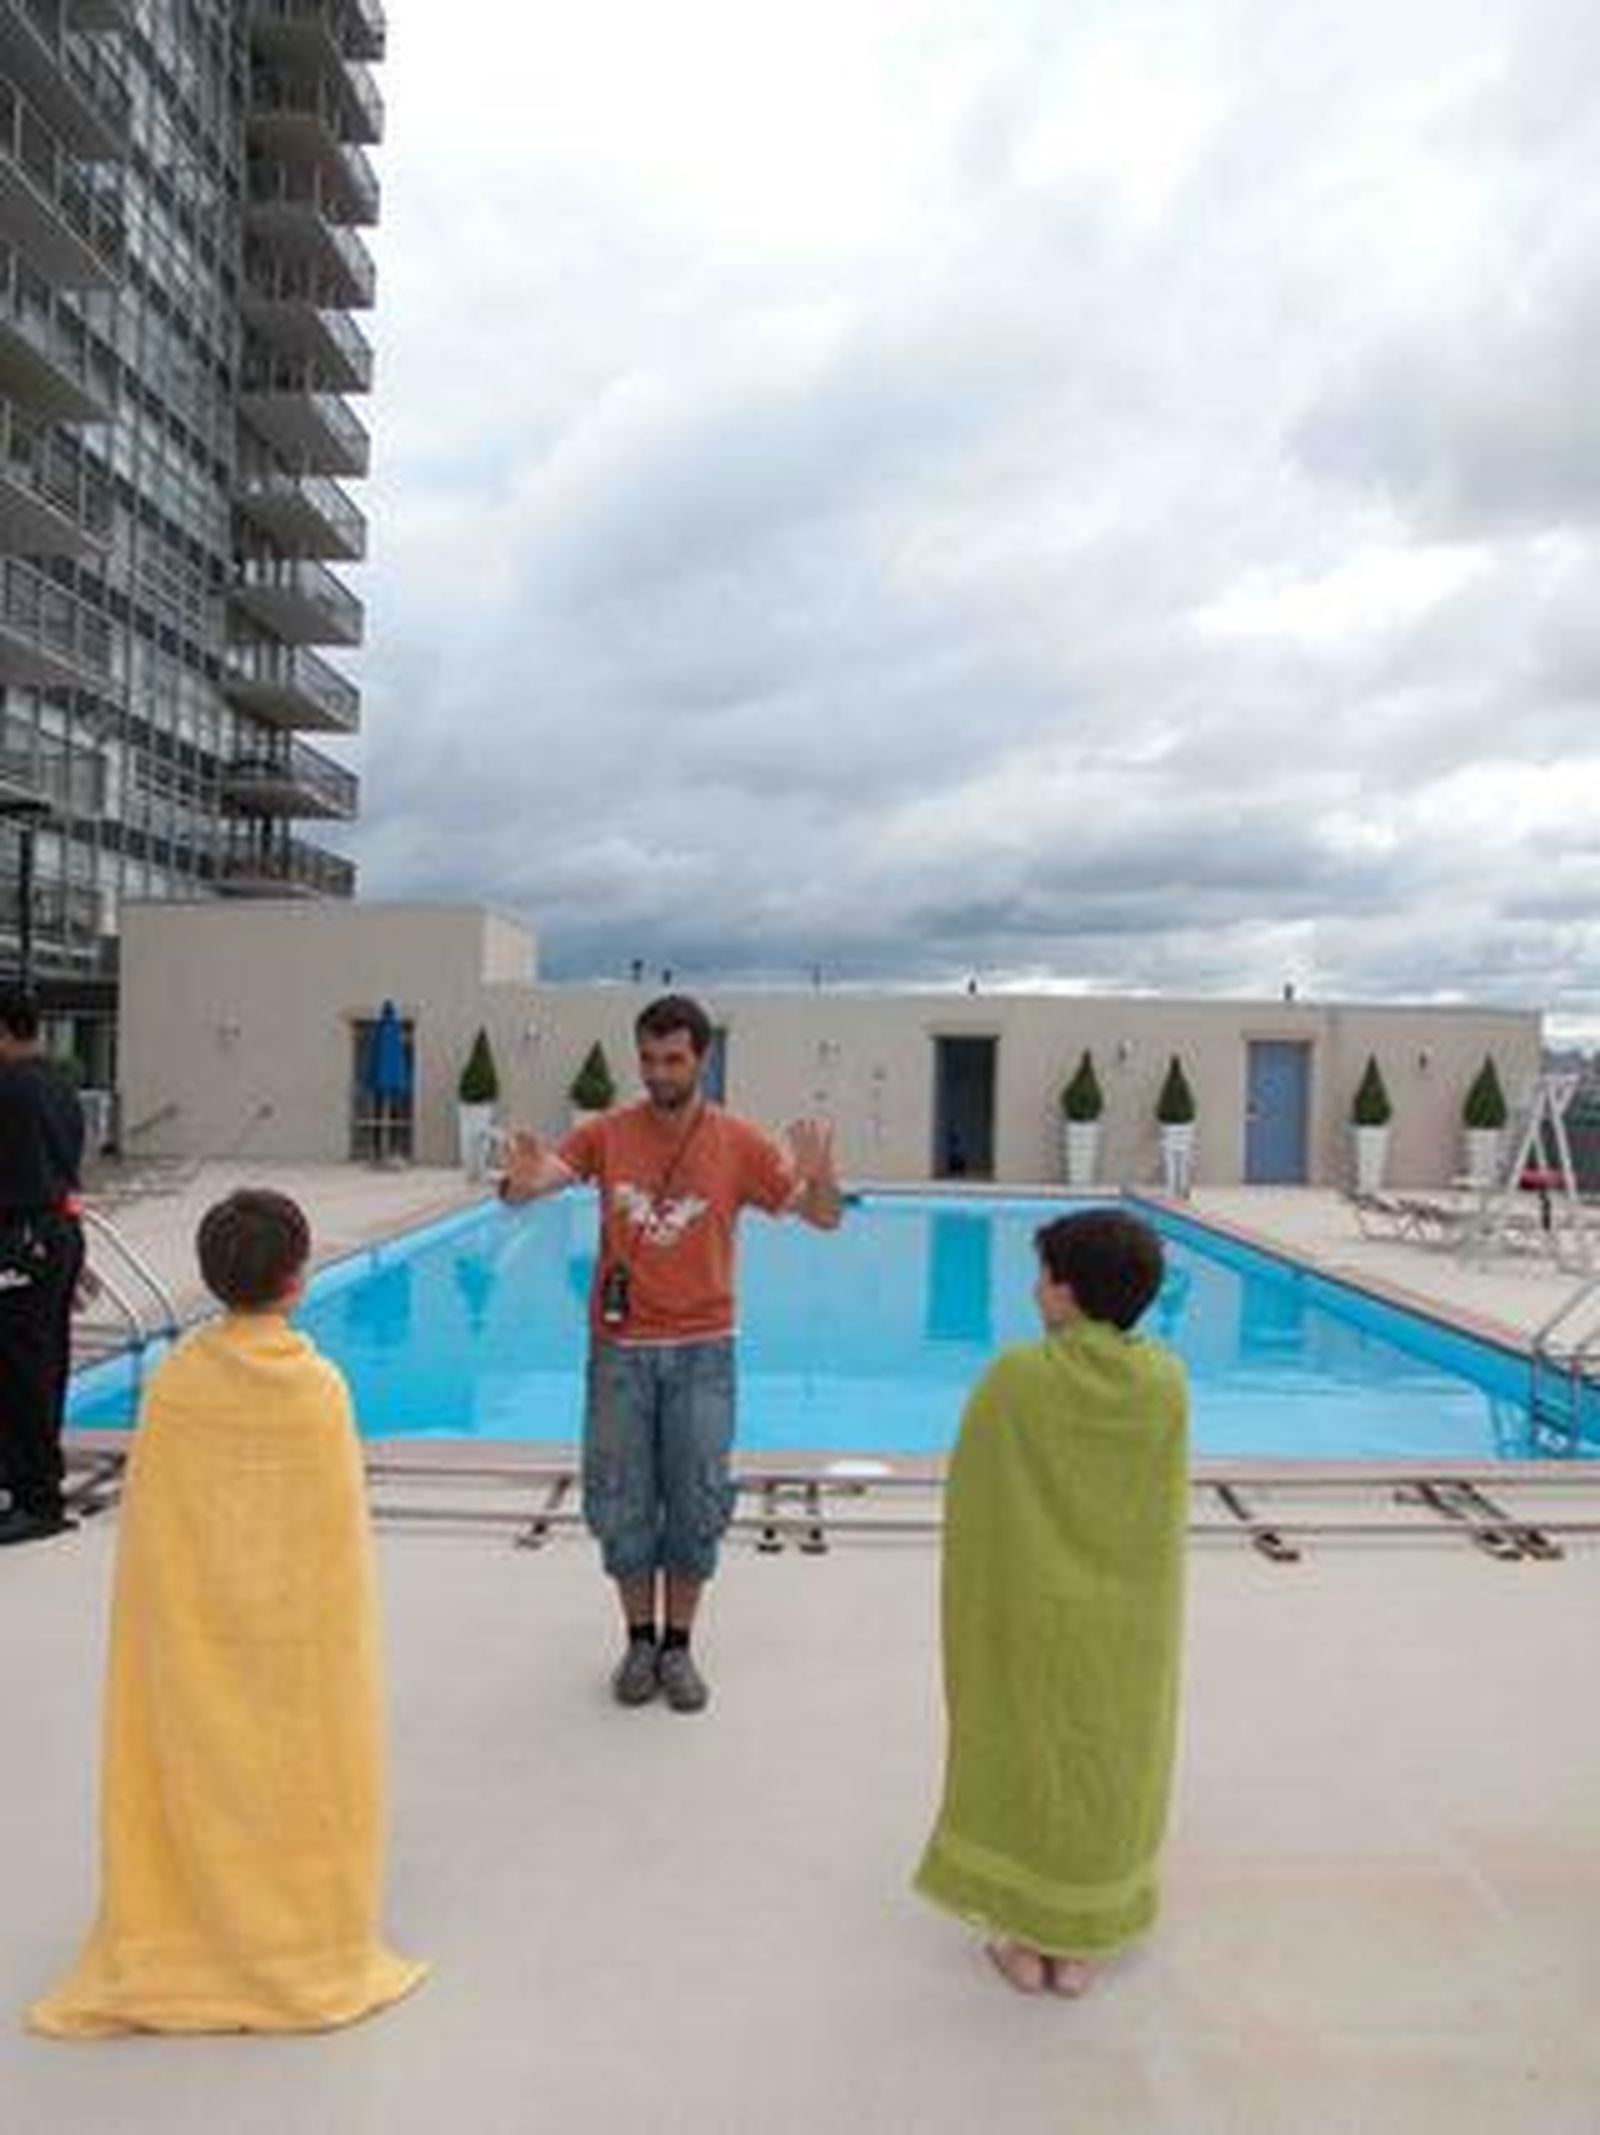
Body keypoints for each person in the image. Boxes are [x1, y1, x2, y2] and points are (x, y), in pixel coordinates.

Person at [29, 1189, 428, 2036]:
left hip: (192, 1635)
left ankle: (185, 1933)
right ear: (297, 1275)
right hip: (297, 1640)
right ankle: (303, 1942)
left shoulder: (176, 1384)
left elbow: (157, 1529)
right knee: (297, 1772)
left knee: (200, 1766)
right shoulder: (316, 1389)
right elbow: (333, 1537)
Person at [499, 993, 843, 1713]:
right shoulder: (606, 1133)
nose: (659, 1073)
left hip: (702, 1350)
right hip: (620, 1350)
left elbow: (823, 1218)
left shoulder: (737, 1142)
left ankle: (679, 1646)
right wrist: (520, 1184)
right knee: (621, 1499)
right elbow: (536, 1182)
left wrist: (820, 1173)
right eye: (649, 1059)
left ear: (701, 1059)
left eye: (674, 1059)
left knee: (696, 1500)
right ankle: (639, 1641)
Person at [915, 1208, 1188, 1999]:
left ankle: (1029, 1937)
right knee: (1107, 1756)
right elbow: (1157, 1499)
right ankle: (1080, 1944)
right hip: (1129, 1622)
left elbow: (977, 1496)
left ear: (1069, 1291)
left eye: (1043, 1276)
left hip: (1032, 1610)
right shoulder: (1165, 1382)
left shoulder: (1017, 1378)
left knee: (1027, 1745)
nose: (1034, 1290)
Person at [0, 985, 86, 1547]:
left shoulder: (9, 1088)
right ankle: (35, 1484)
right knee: (44, 1363)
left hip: (21, 1240)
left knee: (19, 1369)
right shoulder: (60, 1086)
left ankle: (36, 1499)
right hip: (58, 1234)